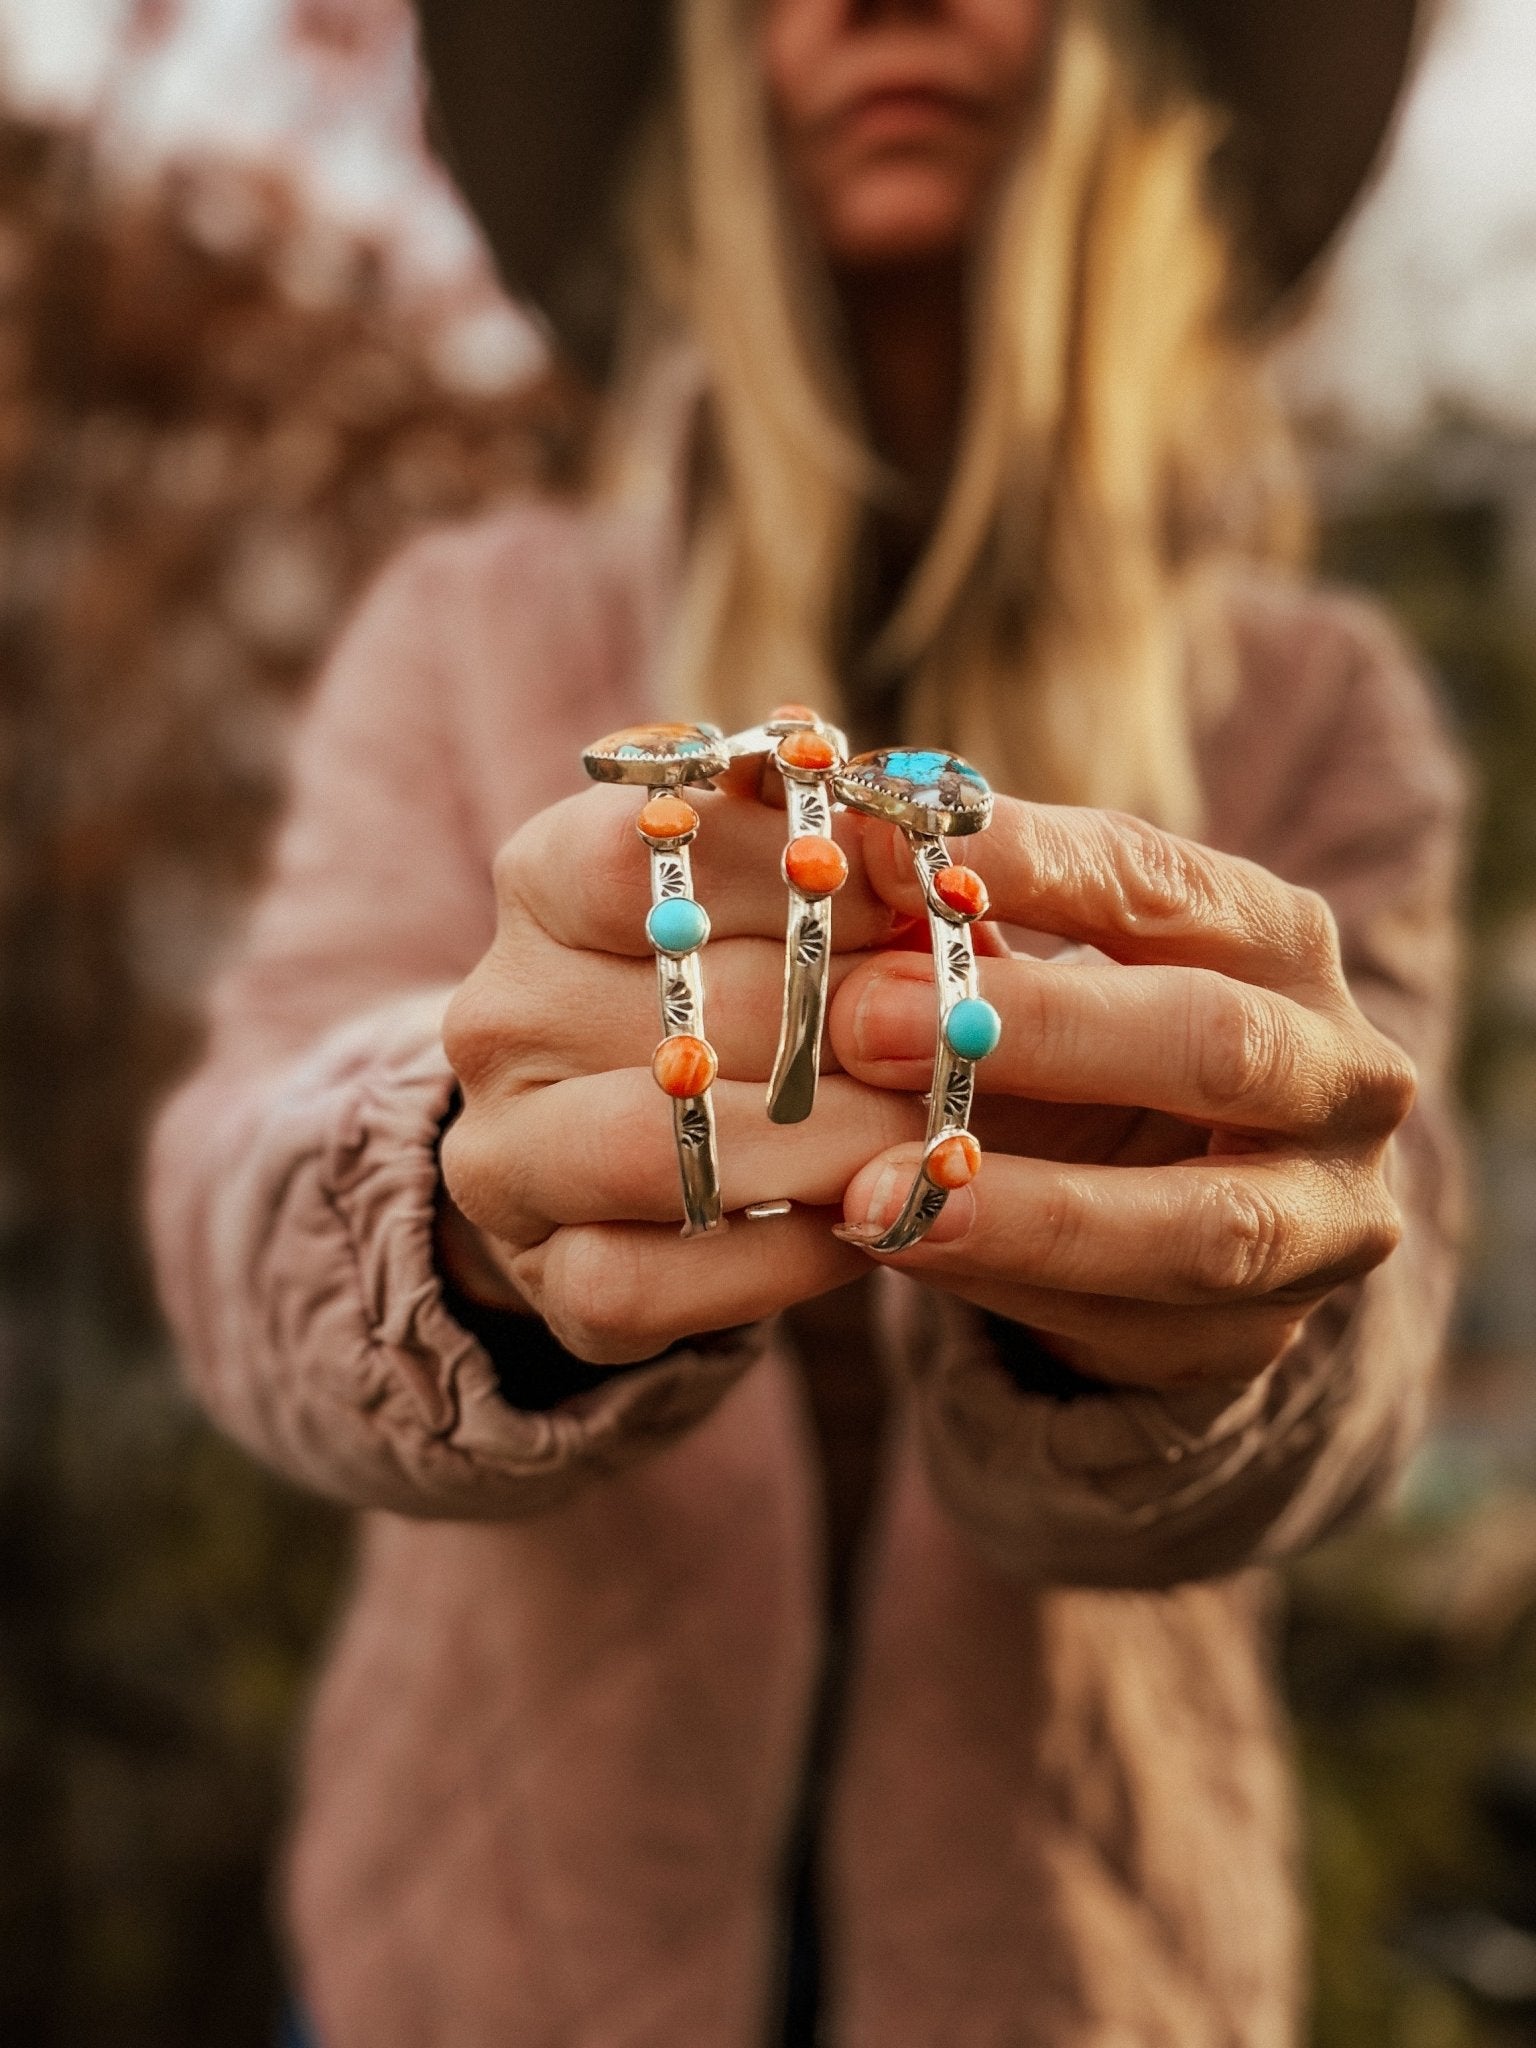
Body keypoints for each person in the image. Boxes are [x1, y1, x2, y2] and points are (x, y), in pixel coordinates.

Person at [148, 1, 1463, 2042]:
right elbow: (233, 1169)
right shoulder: (472, 632)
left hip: (1072, 1957)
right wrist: (461, 1205)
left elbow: (1394, 1288)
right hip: (494, 1938)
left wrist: (1231, 1306)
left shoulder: (1314, 716)